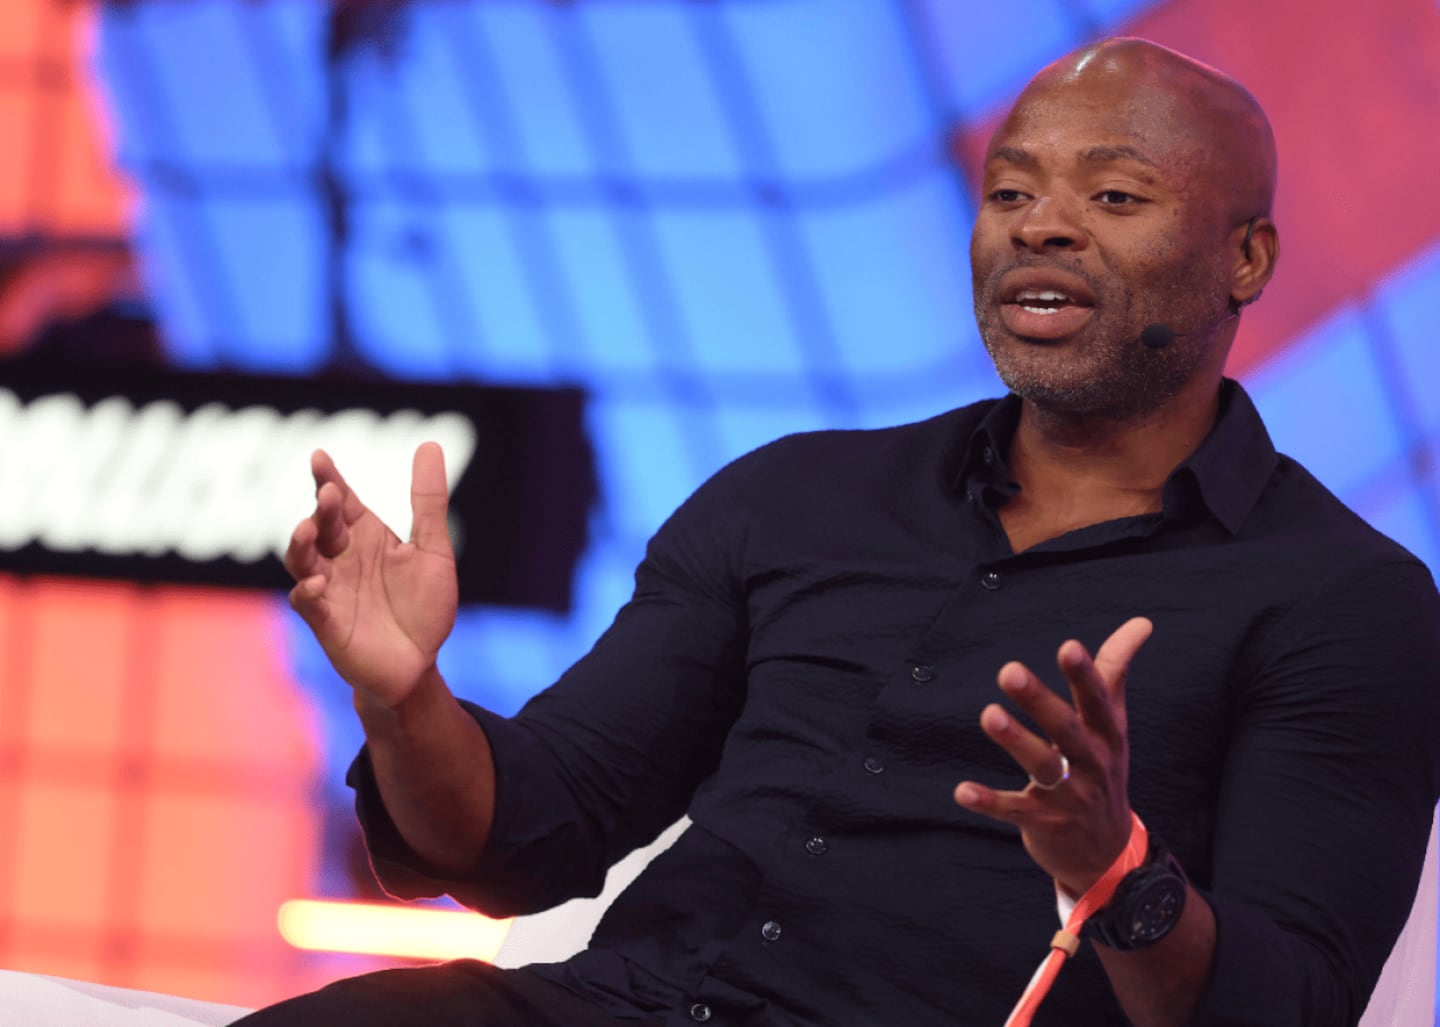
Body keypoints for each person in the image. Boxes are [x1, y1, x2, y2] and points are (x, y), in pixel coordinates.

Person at [235, 37, 1440, 1027]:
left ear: (1246, 258)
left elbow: (1290, 1004)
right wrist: (404, 697)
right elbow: (521, 838)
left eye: (1114, 197)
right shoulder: (798, 496)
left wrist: (1118, 874)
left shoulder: (1344, 599)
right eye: (1010, 192)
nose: (1042, 227)